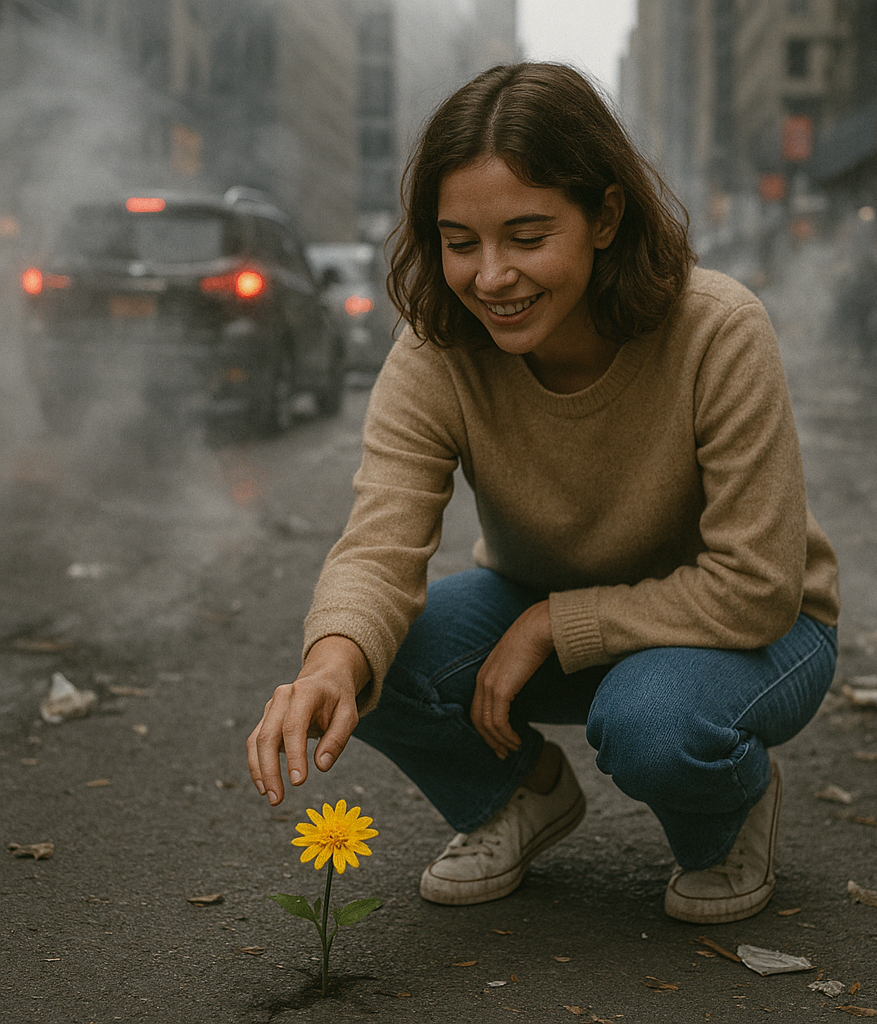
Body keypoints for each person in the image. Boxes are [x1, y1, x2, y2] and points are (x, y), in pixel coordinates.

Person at [247, 62, 840, 924]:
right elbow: (380, 542)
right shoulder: (437, 351)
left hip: (760, 631)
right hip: (549, 601)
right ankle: (516, 797)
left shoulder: (719, 329)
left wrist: (554, 625)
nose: (491, 277)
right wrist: (330, 661)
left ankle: (728, 812)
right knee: (372, 664)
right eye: (461, 243)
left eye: (527, 237)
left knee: (652, 722)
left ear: (605, 217)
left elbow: (758, 585)